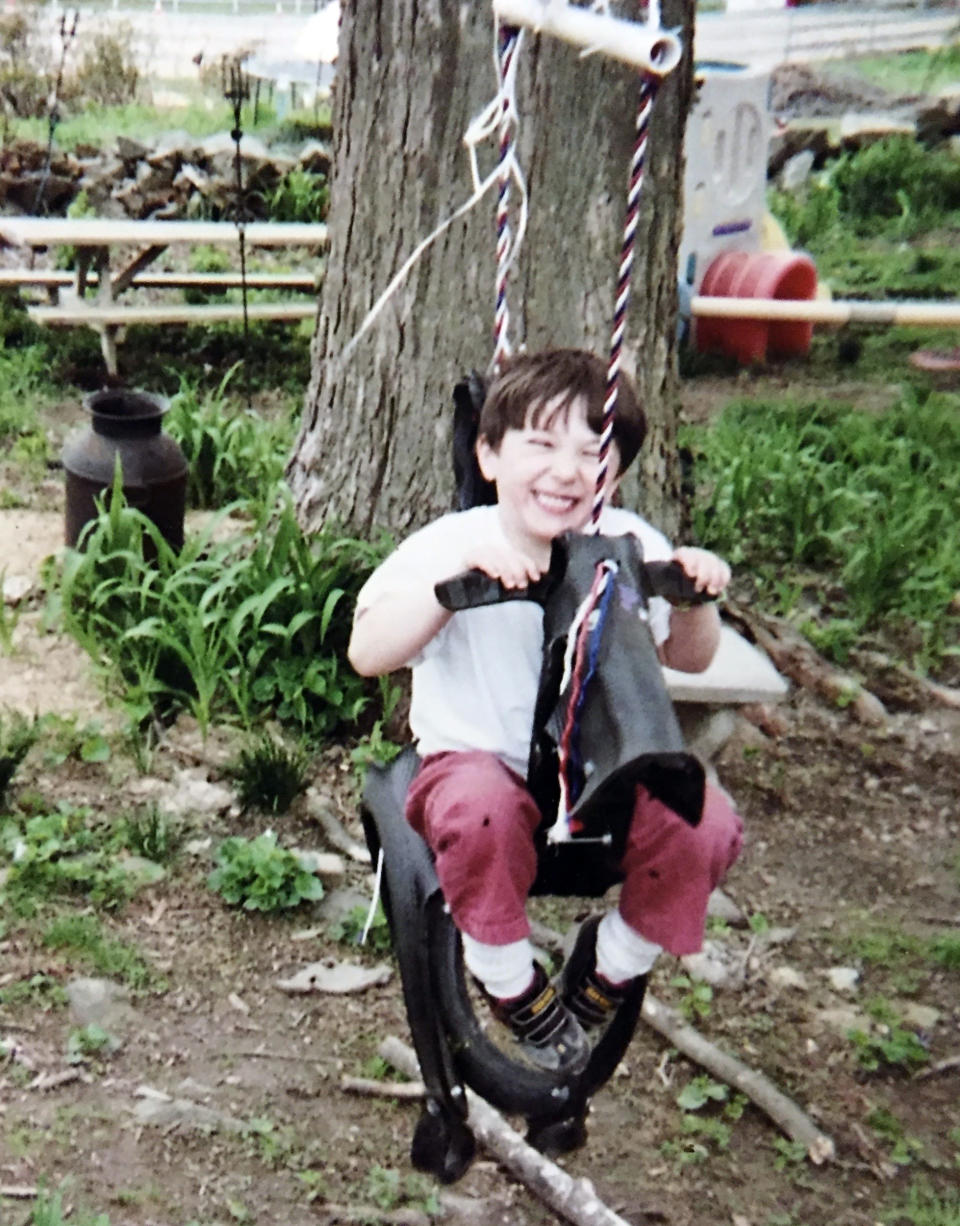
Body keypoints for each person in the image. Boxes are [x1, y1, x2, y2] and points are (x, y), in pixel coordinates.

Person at [349, 349, 743, 1075]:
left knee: (704, 822)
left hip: (606, 777)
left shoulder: (627, 545)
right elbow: (367, 651)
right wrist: (446, 591)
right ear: (489, 454)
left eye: (593, 451)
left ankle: (612, 962)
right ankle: (507, 980)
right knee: (480, 813)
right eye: (541, 443)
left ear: (615, 471)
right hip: (479, 767)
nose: (568, 470)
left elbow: (691, 659)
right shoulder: (452, 542)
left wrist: (693, 599)